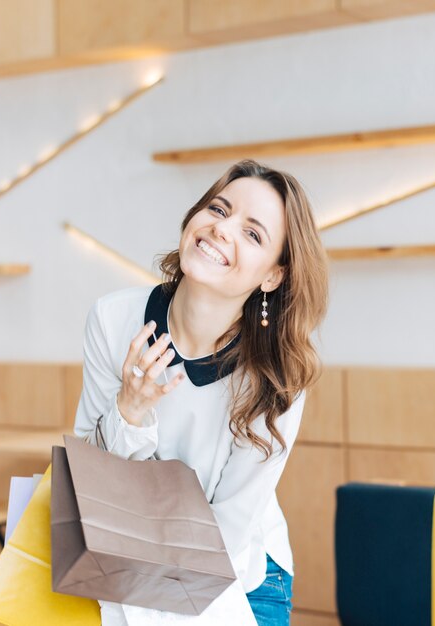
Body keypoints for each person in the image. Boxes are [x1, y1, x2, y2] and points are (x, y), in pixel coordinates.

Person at [74, 158, 329, 625]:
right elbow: (87, 480)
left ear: (272, 276)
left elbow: (230, 531)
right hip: (120, 561)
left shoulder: (277, 376)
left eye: (253, 234)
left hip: (237, 581)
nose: (221, 229)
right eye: (218, 208)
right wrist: (129, 412)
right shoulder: (113, 321)